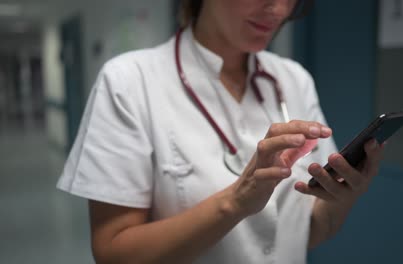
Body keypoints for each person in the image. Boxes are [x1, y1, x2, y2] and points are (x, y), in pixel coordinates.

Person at [57, 0, 384, 263]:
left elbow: (309, 231)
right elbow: (112, 252)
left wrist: (345, 198)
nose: (280, 9)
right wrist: (236, 202)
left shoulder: (294, 79)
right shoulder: (128, 82)